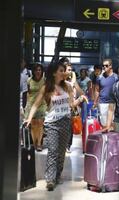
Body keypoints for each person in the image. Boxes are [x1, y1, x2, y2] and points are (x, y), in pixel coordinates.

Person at [24, 62, 88, 191]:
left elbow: (71, 105)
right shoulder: (46, 88)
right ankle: (50, 179)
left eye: (65, 70)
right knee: (53, 151)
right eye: (61, 70)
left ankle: (57, 176)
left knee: (61, 152)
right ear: (54, 73)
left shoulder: (68, 87)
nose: (65, 73)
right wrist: (29, 119)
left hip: (65, 121)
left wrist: (80, 99)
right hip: (52, 123)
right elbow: (36, 104)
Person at [24, 63, 46, 151]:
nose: (38, 71)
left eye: (39, 70)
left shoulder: (45, 80)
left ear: (42, 71)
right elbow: (28, 94)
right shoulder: (29, 80)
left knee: (40, 123)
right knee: (33, 125)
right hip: (31, 104)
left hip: (42, 104)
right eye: (36, 70)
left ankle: (40, 143)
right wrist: (27, 105)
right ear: (33, 71)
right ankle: (35, 143)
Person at [94, 59, 119, 127]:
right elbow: (97, 90)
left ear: (111, 66)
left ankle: (111, 137)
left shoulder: (116, 77)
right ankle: (105, 137)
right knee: (104, 124)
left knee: (113, 124)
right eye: (103, 66)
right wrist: (95, 102)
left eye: (106, 65)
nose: (104, 67)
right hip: (103, 103)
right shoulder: (99, 77)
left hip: (114, 103)